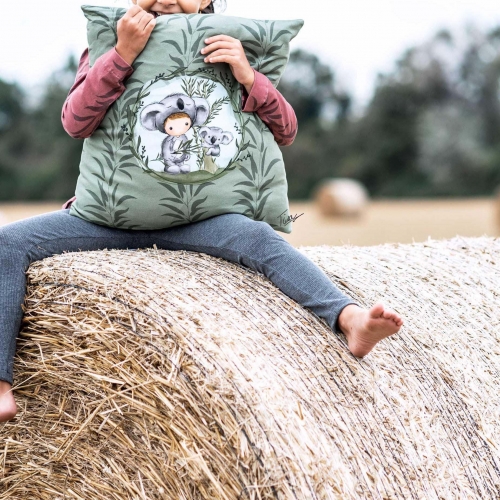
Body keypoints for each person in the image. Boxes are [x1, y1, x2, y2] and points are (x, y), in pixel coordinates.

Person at [0, 0, 403, 423]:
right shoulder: (109, 42)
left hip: (201, 221)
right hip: (107, 220)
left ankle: (350, 319)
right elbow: (75, 121)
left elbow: (286, 130)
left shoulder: (231, 45)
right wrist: (121, 55)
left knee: (258, 238)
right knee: (8, 242)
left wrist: (247, 75)